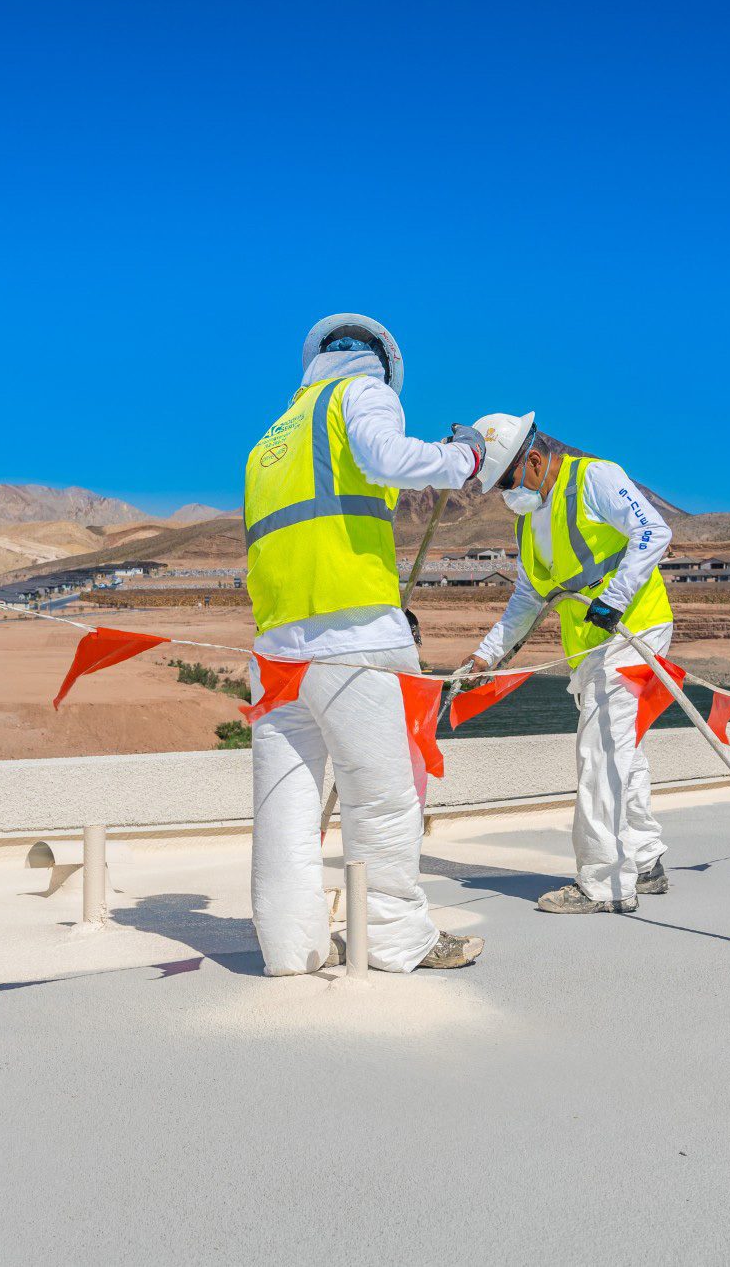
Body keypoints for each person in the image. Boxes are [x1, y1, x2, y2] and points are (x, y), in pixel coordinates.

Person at [242, 314, 488, 973]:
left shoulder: (271, 437)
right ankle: (396, 938)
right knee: (381, 795)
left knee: (285, 808)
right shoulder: (362, 392)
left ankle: (292, 950)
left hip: (276, 647)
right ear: (383, 362)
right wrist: (462, 458)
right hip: (354, 635)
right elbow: (384, 455)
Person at [461, 414, 675, 913]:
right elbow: (527, 598)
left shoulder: (595, 478)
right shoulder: (528, 520)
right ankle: (644, 861)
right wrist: (485, 655)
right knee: (621, 747)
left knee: (601, 750)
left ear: (533, 460)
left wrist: (617, 598)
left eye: (507, 481)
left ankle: (605, 884)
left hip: (635, 630)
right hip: (591, 644)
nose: (505, 494)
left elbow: (653, 531)